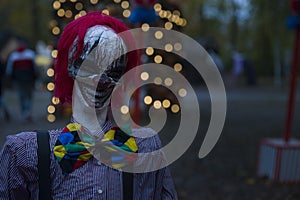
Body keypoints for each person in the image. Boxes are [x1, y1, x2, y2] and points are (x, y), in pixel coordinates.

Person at [0, 11, 178, 199]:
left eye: (113, 68)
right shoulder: (24, 154)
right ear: (70, 66)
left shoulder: (145, 146)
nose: (101, 80)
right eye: (90, 65)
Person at [5, 44, 37, 120]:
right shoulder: (30, 54)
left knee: (21, 95)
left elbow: (9, 69)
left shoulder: (13, 56)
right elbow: (35, 68)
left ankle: (24, 111)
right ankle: (27, 111)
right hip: (29, 79)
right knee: (29, 95)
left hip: (18, 79)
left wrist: (10, 78)